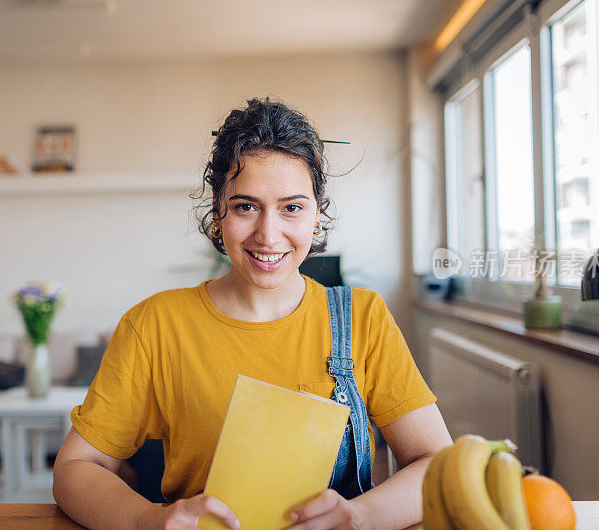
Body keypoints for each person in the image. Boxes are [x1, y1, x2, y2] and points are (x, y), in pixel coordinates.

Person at [53, 98, 452, 530]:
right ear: (217, 210)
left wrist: (360, 516)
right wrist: (149, 520)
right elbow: (76, 467)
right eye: (246, 206)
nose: (268, 234)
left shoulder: (363, 318)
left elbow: (434, 462)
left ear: (316, 214)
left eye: (292, 207)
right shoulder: (155, 325)